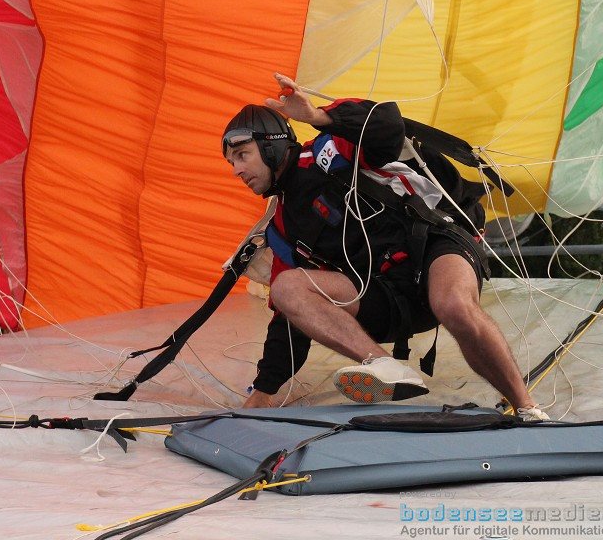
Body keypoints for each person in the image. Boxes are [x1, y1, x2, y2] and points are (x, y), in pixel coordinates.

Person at [222, 73, 547, 421]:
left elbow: (387, 125)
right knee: (286, 287)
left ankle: (526, 407)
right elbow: (290, 318)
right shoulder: (282, 229)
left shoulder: (325, 152)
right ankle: (384, 365)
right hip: (385, 298)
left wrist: (319, 117)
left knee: (452, 303)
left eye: (243, 154)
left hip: (433, 248)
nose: (237, 170)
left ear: (271, 145)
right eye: (232, 162)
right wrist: (264, 392)